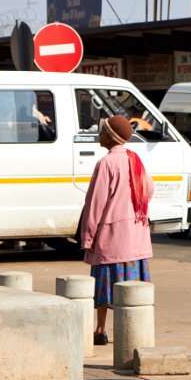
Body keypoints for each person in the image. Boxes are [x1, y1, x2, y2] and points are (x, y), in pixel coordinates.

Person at [78, 115, 154, 346]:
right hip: (137, 238)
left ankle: (100, 329)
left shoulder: (106, 164)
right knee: (131, 291)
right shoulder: (136, 159)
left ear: (110, 137)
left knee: (103, 288)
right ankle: (132, 332)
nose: (99, 135)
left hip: (111, 239)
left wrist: (87, 237)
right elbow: (149, 190)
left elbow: (95, 205)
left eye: (102, 131)